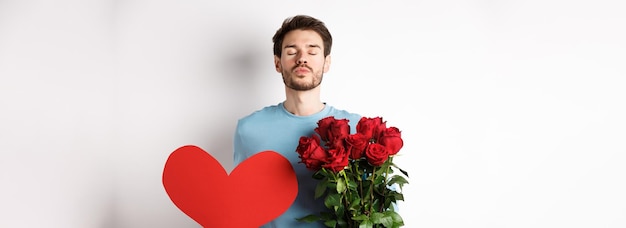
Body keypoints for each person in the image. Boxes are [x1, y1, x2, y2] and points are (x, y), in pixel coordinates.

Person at [233, 15, 361, 227]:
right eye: (292, 51)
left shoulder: (356, 128)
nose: (302, 58)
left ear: (326, 62)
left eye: (312, 51)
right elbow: (240, 202)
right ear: (277, 63)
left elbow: (378, 201)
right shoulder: (248, 129)